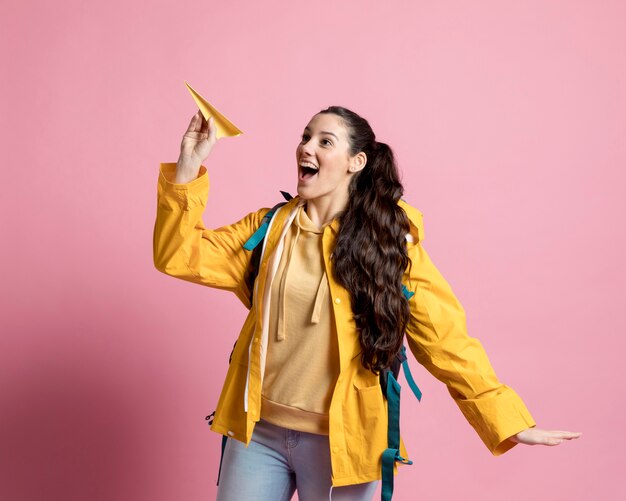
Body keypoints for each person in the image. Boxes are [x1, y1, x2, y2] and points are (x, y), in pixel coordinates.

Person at [153, 107, 581, 500]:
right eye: (305, 136)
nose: (306, 147)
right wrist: (189, 163)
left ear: (356, 163)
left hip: (344, 440)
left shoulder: (389, 244)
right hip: (257, 434)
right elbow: (178, 254)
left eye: (325, 141)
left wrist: (506, 419)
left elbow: (445, 339)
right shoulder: (267, 231)